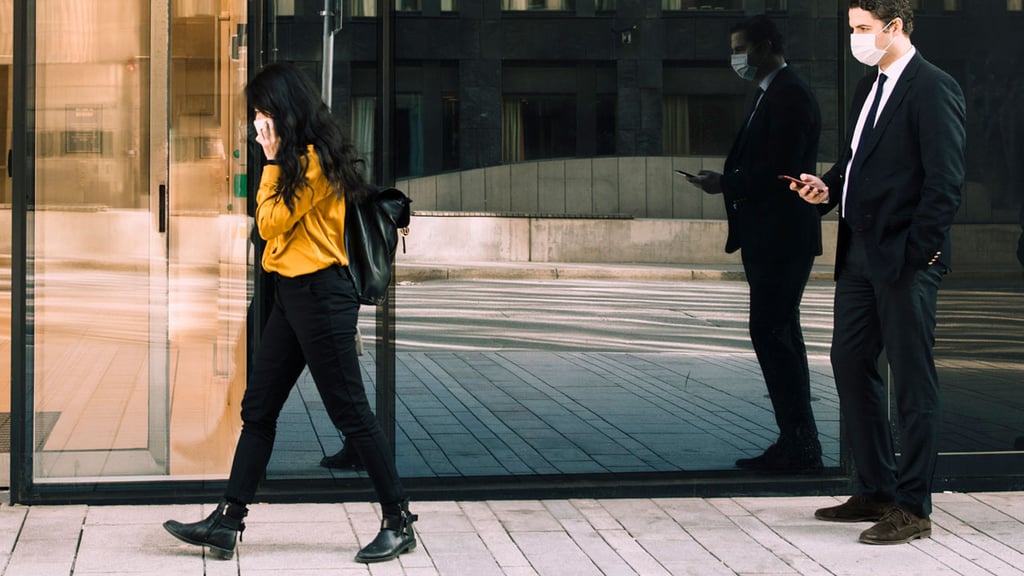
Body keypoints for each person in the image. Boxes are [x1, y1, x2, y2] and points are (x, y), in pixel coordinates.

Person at [163, 62, 418, 564]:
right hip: (291, 293)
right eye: (255, 114)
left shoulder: (314, 162)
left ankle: (399, 520)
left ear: (285, 110)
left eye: (263, 112)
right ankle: (228, 521)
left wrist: (271, 160)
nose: (257, 123)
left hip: (321, 295)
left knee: (350, 412)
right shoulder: (299, 159)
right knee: (258, 409)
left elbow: (268, 222)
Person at [788, 0, 966, 545]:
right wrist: (826, 188)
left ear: (895, 27)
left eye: (863, 29)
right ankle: (876, 489)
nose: (856, 39)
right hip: (859, 254)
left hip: (904, 260)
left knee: (912, 382)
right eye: (852, 29)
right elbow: (855, 163)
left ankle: (913, 508)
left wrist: (919, 254)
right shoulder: (872, 86)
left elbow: (945, 181)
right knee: (849, 361)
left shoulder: (933, 87)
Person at [686, 14, 824, 473]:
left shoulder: (789, 95)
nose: (736, 58)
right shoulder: (772, 93)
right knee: (778, 333)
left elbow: (779, 170)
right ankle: (797, 441)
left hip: (782, 237)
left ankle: (800, 444)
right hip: (773, 236)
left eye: (740, 48)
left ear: (765, 47)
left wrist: (725, 183)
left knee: (773, 333)